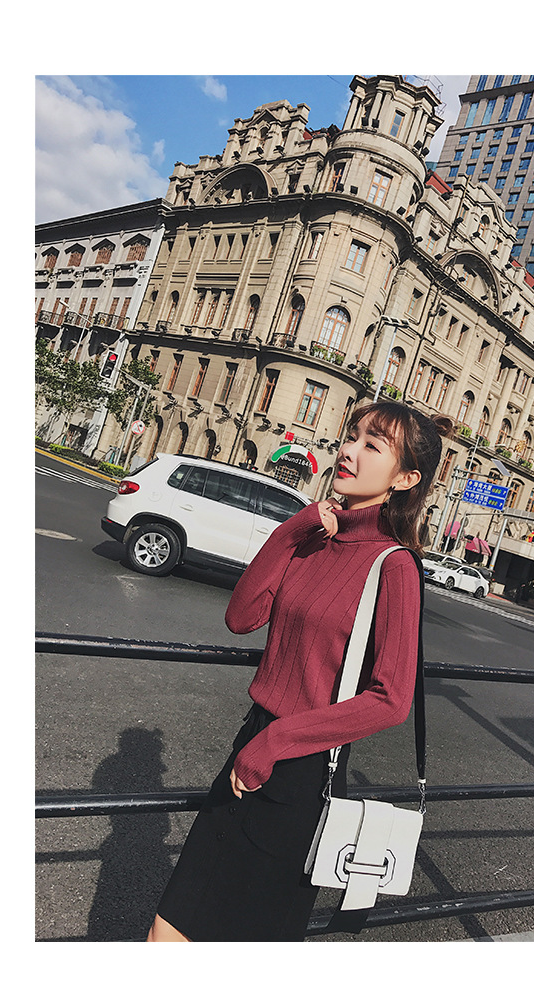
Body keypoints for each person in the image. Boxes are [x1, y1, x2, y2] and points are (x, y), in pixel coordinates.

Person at [146, 401, 454, 943]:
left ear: (405, 479)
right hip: (249, 746)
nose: (349, 451)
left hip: (300, 773)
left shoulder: (394, 565)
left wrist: (276, 743)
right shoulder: (313, 537)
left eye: (371, 446)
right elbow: (242, 617)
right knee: (167, 934)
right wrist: (294, 530)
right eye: (351, 436)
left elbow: (391, 700)